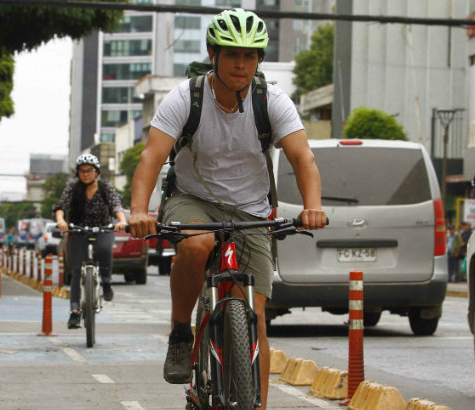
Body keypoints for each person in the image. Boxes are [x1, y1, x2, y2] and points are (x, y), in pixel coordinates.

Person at [126, 9, 326, 409]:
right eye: (232, 54)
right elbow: (151, 157)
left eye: (251, 56)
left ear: (259, 61)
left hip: (251, 208)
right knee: (197, 246)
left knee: (256, 321)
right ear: (213, 53)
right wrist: (138, 211)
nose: (241, 64)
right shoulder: (186, 96)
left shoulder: (272, 100)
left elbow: (304, 158)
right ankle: (181, 332)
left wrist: (312, 207)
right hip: (193, 198)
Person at [53, 154, 128, 329]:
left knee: (104, 249)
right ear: (78, 173)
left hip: (103, 228)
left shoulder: (105, 187)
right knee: (77, 270)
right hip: (78, 230)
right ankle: (75, 312)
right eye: (82, 171)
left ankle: (107, 282)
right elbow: (61, 207)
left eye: (89, 171)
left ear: (96, 172)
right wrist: (61, 221)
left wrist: (122, 221)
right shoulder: (72, 188)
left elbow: (116, 205)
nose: (85, 174)